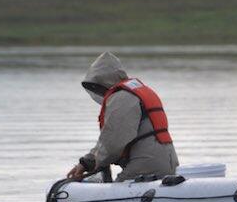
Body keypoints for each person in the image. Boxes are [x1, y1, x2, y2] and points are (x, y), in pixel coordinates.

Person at [66, 52, 179, 181]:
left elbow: (113, 143)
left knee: (109, 196)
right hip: (167, 162)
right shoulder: (136, 91)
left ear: (102, 81)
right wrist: (86, 162)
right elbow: (109, 139)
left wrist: (92, 163)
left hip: (146, 165)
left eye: (97, 87)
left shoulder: (121, 98)